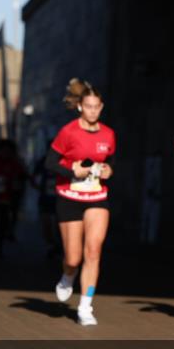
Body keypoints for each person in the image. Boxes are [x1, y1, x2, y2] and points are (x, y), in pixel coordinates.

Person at [47, 78, 115, 326]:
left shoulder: (108, 134)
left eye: (97, 107)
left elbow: (111, 162)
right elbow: (50, 163)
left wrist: (109, 171)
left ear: (101, 107)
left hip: (97, 197)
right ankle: (67, 275)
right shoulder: (68, 132)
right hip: (70, 196)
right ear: (80, 107)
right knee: (74, 258)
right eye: (88, 106)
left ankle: (85, 306)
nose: (93, 111)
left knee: (94, 250)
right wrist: (72, 171)